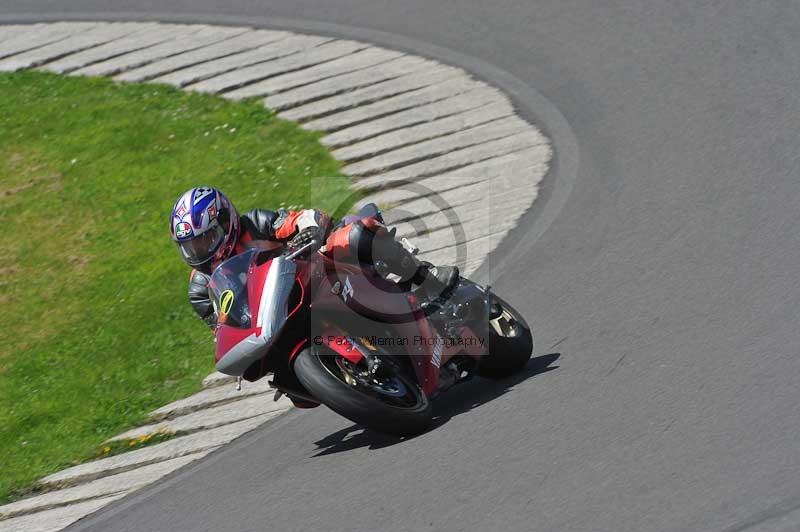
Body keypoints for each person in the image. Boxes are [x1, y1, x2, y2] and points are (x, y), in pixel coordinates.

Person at [170, 187, 459, 329]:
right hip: (279, 317)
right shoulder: (200, 289)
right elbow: (221, 330)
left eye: (205, 239)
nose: (200, 251)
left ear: (225, 222)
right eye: (191, 246)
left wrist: (309, 232)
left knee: (355, 234)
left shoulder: (254, 223)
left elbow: (303, 218)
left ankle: (425, 279)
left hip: (315, 271)